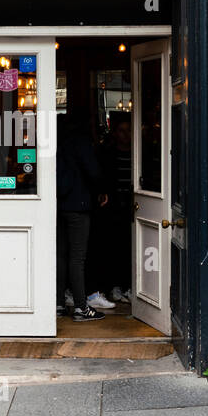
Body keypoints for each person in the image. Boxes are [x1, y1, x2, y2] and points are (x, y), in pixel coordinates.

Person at [56, 110, 108, 322]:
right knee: (78, 257)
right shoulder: (81, 141)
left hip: (58, 203)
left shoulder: (58, 140)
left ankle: (58, 304)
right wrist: (101, 190)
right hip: (78, 204)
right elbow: (93, 171)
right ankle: (80, 307)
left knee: (60, 255)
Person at [89, 114, 133, 306]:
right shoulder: (108, 155)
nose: (126, 135)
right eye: (122, 130)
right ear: (115, 133)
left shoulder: (138, 155)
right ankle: (113, 287)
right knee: (112, 249)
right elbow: (102, 180)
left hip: (132, 209)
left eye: (129, 130)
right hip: (112, 209)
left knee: (128, 249)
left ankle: (126, 286)